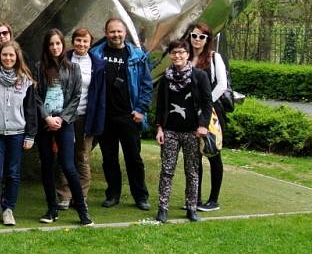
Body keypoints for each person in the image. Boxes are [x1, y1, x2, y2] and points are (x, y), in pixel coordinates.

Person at [90, 18, 153, 211]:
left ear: (125, 33)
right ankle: (113, 194)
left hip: (128, 115)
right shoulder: (96, 54)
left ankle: (140, 196)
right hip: (105, 116)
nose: (116, 35)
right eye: (112, 32)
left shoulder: (137, 56)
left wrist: (141, 110)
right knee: (109, 159)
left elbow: (146, 85)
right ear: (106, 32)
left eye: (119, 31)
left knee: (134, 158)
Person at [35, 29, 92, 226]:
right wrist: (46, 118)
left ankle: (83, 211)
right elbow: (35, 96)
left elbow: (76, 97)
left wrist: (61, 119)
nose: (55, 47)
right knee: (47, 166)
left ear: (63, 45)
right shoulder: (39, 67)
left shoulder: (73, 68)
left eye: (58, 43)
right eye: (51, 44)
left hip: (65, 123)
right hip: (44, 124)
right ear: (47, 46)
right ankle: (52, 208)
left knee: (68, 166)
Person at [0, 40, 37, 226]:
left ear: (17, 57)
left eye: (11, 55)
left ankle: (9, 209)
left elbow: (31, 110)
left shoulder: (26, 80)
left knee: (12, 173)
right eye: (4, 55)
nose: (8, 58)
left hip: (17, 133)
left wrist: (30, 135)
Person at [154, 39, 212, 223]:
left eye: (181, 52)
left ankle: (192, 208)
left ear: (187, 55)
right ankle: (163, 208)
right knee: (167, 171)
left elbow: (207, 102)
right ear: (170, 55)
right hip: (170, 130)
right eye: (174, 53)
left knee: (192, 171)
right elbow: (160, 105)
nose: (177, 56)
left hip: (192, 132)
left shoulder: (199, 76)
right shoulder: (165, 78)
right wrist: (159, 128)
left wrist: (203, 125)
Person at [55, 27, 105, 210]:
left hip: (86, 116)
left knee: (82, 157)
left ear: (90, 43)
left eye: (85, 41)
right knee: (64, 156)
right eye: (78, 40)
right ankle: (64, 195)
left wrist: (98, 122)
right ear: (72, 41)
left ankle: (81, 195)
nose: (81, 44)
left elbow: (100, 96)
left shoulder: (98, 65)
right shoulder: (63, 59)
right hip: (66, 115)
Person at [187, 22, 228, 212]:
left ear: (207, 40)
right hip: (191, 114)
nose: (197, 40)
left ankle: (213, 199)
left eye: (201, 37)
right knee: (195, 157)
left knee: (213, 154)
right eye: (194, 36)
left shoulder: (214, 57)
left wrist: (205, 103)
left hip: (211, 113)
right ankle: (196, 197)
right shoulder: (185, 57)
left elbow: (221, 84)